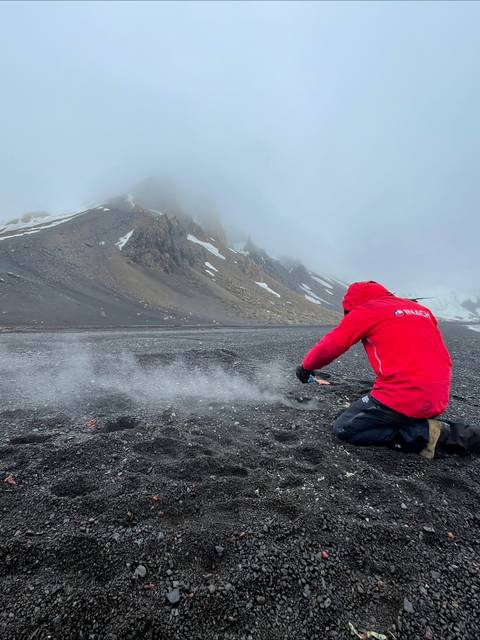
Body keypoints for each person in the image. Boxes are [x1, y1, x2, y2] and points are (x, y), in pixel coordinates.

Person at [296, 281, 480, 458]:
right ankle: (432, 424)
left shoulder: (367, 310)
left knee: (344, 428)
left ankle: (436, 436)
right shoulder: (421, 310)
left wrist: (306, 367)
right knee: (383, 402)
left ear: (352, 304)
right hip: (438, 396)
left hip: (404, 396)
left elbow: (331, 345)